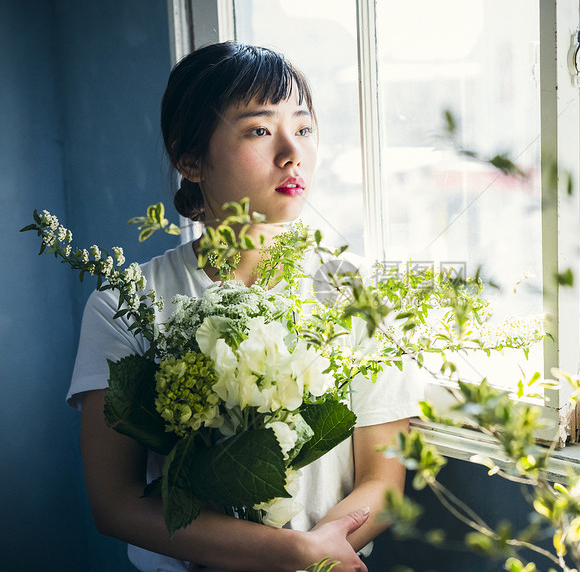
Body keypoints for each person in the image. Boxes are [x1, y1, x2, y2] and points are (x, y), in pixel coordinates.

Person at [68, 42, 420, 572]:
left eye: (302, 128)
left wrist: (315, 555)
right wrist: (291, 553)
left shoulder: (359, 291)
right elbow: (115, 503)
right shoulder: (124, 301)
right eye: (259, 130)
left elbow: (383, 479)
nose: (291, 152)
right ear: (189, 159)